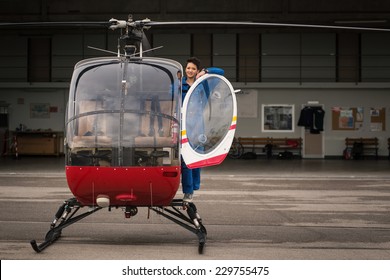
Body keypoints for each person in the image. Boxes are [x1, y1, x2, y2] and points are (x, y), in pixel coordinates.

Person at [181, 57, 224, 203]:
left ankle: (193, 187)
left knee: (195, 159)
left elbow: (221, 72)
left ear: (197, 71)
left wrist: (205, 72)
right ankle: (188, 190)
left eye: (193, 68)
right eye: (188, 68)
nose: (190, 71)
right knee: (184, 161)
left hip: (198, 127)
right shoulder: (178, 85)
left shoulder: (203, 84)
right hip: (182, 127)